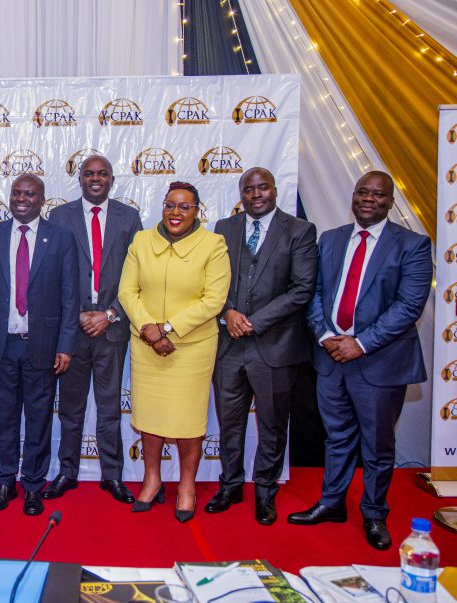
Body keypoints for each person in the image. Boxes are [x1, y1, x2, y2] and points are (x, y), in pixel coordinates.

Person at [288, 171, 431, 550]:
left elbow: (409, 306)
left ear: (390, 201)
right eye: (362, 193)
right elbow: (314, 293)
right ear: (353, 197)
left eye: (378, 195)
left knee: (377, 446)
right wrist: (325, 336)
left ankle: (373, 513)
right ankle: (332, 503)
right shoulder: (331, 239)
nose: (369, 199)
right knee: (336, 437)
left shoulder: (412, 245)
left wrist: (361, 343)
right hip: (331, 358)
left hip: (379, 363)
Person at [205, 168, 317, 524]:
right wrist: (228, 312)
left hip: (275, 345)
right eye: (249, 189)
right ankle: (231, 485)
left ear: (274, 190)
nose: (256, 194)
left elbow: (302, 289)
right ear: (241, 193)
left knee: (271, 425)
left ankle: (265, 492)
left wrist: (253, 321)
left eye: (262, 187)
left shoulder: (299, 230)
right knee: (229, 423)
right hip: (229, 346)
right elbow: (211, 282)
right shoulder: (225, 228)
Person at [117, 181, 230, 522]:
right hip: (146, 343)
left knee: (187, 420)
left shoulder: (213, 245)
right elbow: (127, 290)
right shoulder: (142, 240)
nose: (176, 212)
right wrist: (150, 329)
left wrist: (168, 328)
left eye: (184, 207)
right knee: (150, 416)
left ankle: (186, 485)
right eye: (170, 205)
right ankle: (152, 480)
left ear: (197, 211)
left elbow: (214, 300)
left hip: (192, 347)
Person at [0, 174, 78, 516]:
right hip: (3, 345)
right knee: (4, 417)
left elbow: (69, 296)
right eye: (17, 193)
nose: (22, 199)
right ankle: (4, 481)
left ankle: (33, 484)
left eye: (30, 194)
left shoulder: (61, 238)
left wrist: (65, 345)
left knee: (38, 418)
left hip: (44, 345)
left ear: (42, 199)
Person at [44, 156, 142, 504]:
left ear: (111, 179)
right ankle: (67, 472)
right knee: (70, 408)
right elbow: (52, 274)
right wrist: (79, 315)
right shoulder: (60, 216)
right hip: (72, 331)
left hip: (112, 329)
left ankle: (112, 475)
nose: (95, 179)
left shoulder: (128, 218)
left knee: (110, 406)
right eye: (89, 174)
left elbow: (137, 274)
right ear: (80, 178)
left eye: (102, 174)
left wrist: (111, 314)